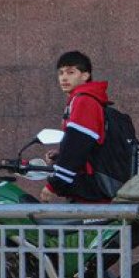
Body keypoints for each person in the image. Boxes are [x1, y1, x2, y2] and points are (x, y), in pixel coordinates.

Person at [39, 50, 113, 203]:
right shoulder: (85, 100)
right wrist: (61, 155)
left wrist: (54, 185)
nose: (64, 77)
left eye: (71, 72)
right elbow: (86, 145)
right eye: (61, 73)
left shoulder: (84, 101)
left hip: (91, 195)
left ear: (85, 75)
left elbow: (76, 146)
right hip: (92, 191)